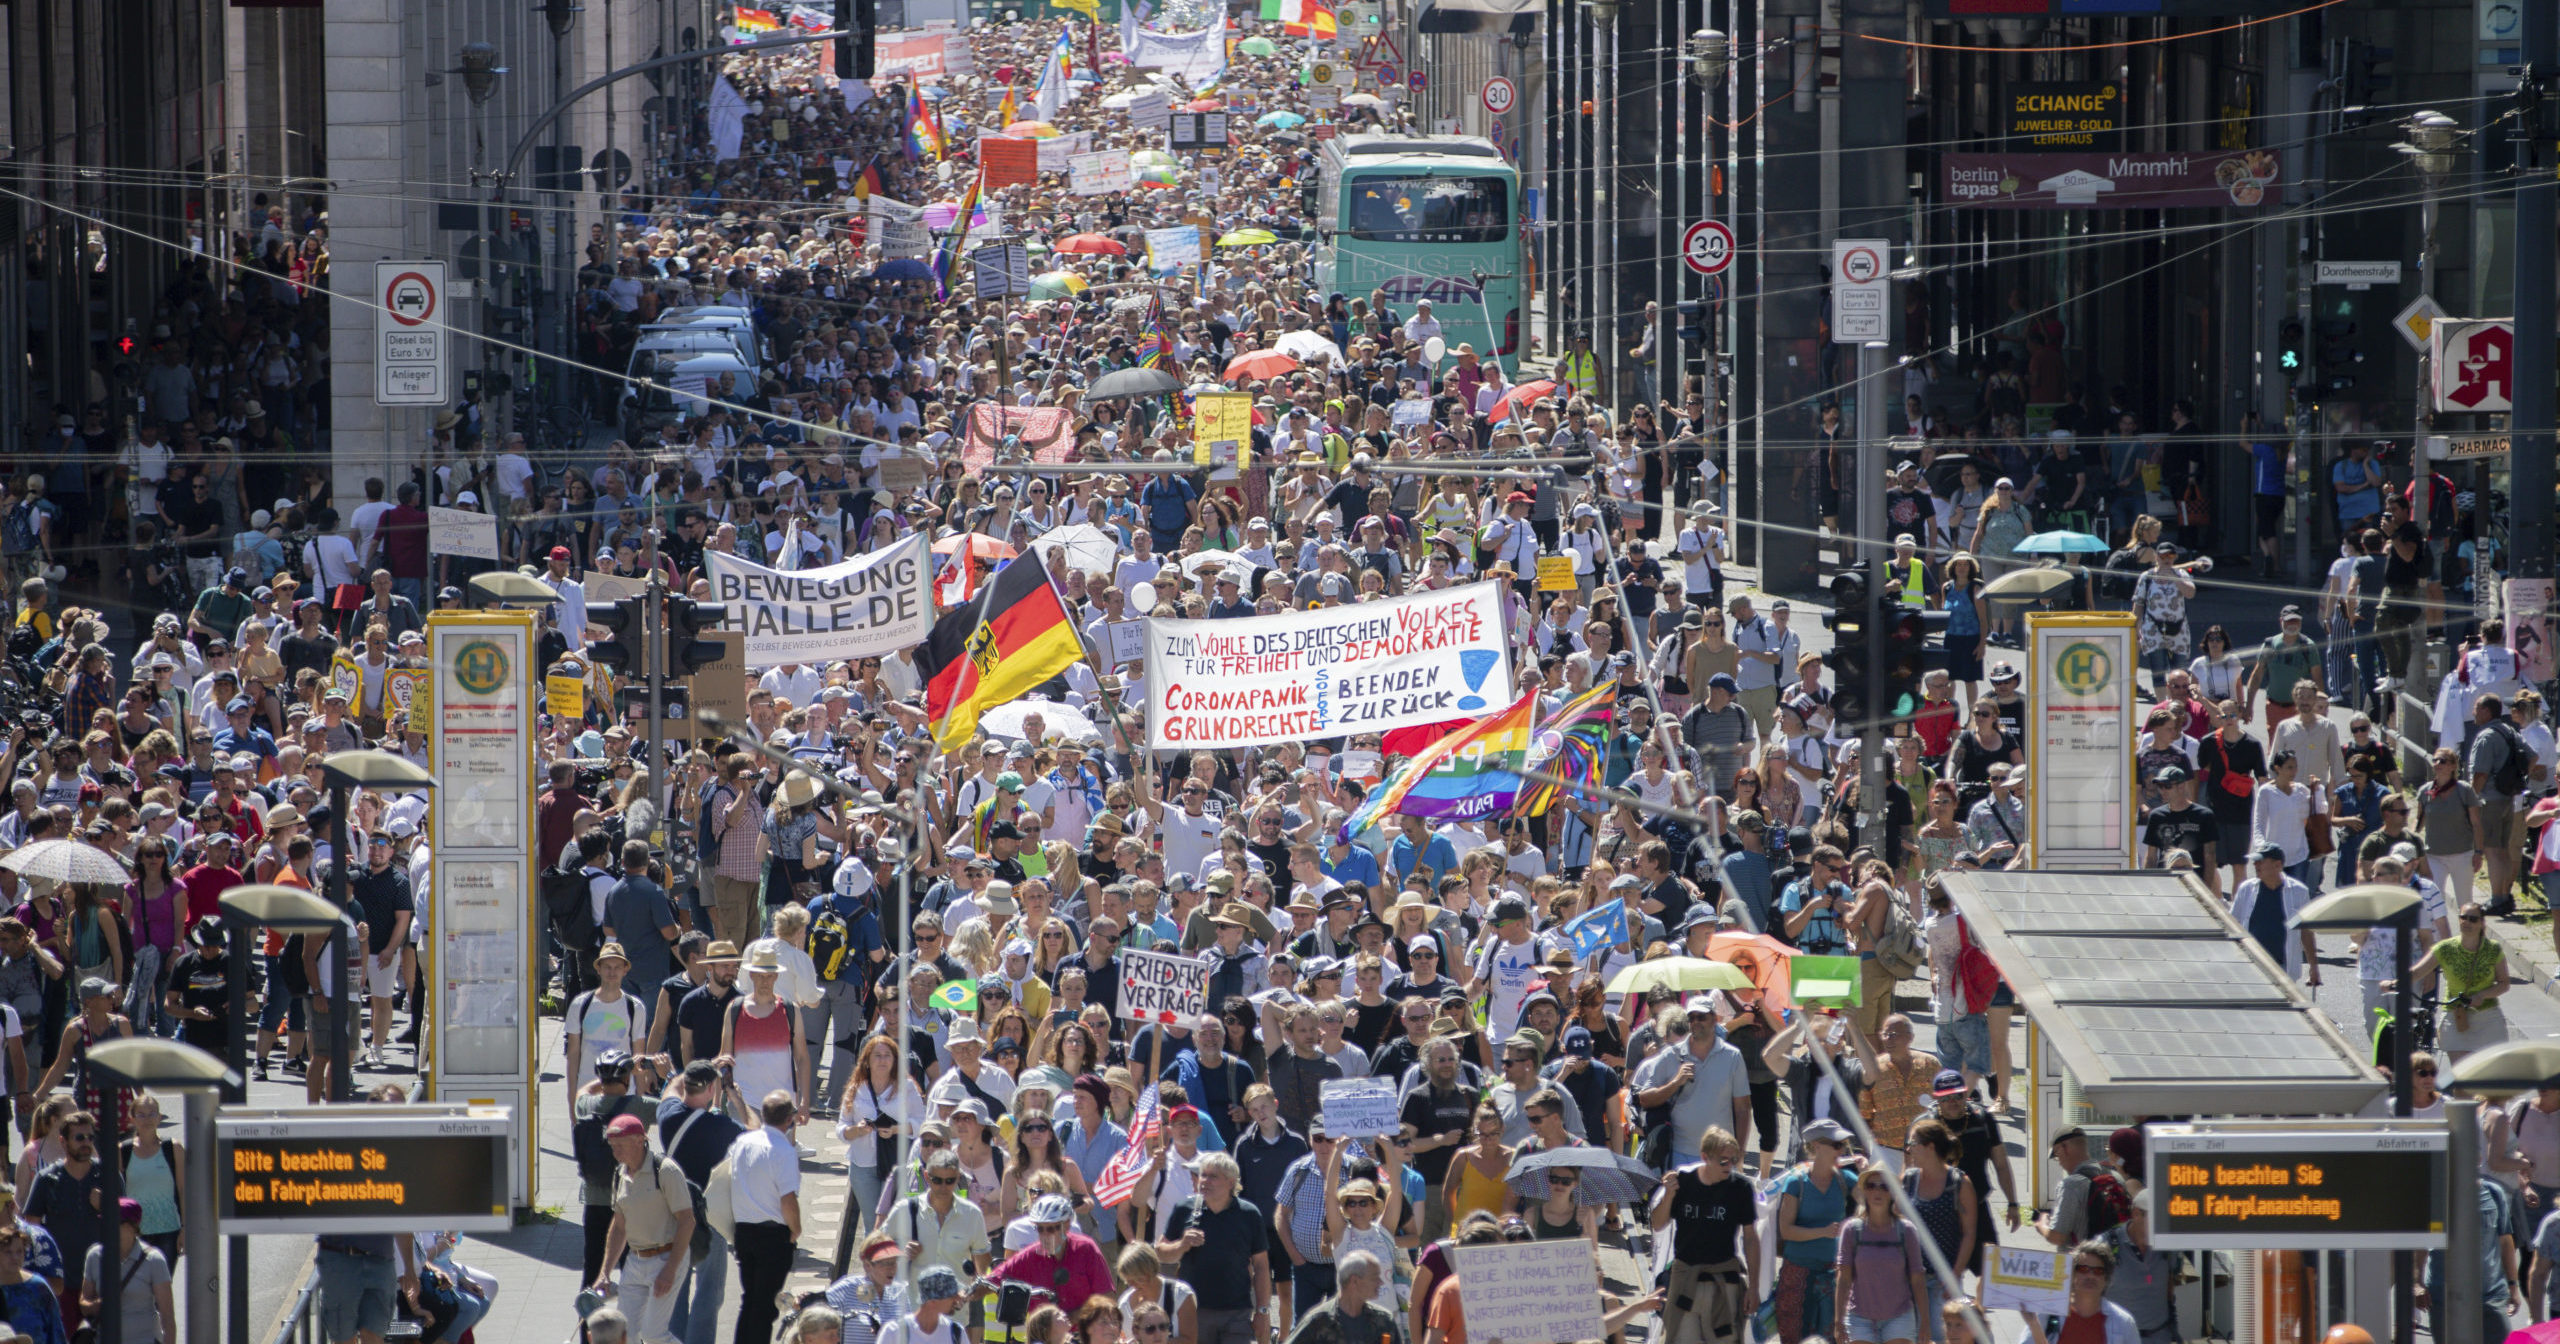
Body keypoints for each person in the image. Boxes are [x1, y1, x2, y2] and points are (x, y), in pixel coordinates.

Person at [592, 1112, 696, 1344]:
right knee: (624, 1335)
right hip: (636, 1261)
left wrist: (670, 1269)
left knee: (653, 1335)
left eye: (620, 1145)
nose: (615, 1151)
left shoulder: (665, 1171)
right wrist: (605, 1272)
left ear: (640, 1140)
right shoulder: (620, 1174)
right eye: (612, 1146)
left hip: (667, 1257)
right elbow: (619, 1228)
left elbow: (687, 1221)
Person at [1650, 1126, 1759, 1344]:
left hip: (1723, 1277)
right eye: (1723, 1161)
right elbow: (1658, 1224)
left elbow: (1750, 1238)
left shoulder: (1741, 1188)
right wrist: (1669, 1195)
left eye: (1734, 1160)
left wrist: (1754, 1288)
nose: (1729, 1166)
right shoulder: (1684, 1182)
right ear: (1705, 1157)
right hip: (1686, 1276)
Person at [1154, 1152, 1271, 1344]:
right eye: (1202, 1175)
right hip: (1193, 1311)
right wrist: (1181, 1244)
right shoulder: (1185, 1209)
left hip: (1237, 1313)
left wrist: (1263, 1311)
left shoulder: (1249, 1214)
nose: (1204, 1181)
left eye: (1213, 1176)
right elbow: (1161, 1253)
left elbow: (1261, 1266)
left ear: (1231, 1182)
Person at [731, 1090, 806, 1344]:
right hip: (772, 1236)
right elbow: (787, 1200)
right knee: (764, 1308)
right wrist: (795, 1230)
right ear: (790, 1119)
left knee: (750, 1300)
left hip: (743, 1232)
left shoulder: (743, 1142)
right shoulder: (784, 1152)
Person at [1773, 1119, 1856, 1344]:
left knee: (1833, 1340)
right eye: (1837, 1145)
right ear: (1817, 1146)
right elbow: (1786, 1230)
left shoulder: (1845, 1180)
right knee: (1794, 1338)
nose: (1842, 1150)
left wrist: (1868, 1172)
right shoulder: (1796, 1183)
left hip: (1833, 1274)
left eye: (1844, 1145)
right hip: (1797, 1275)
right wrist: (1823, 1231)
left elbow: (1877, 1201)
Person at [2398, 901, 2512, 1059]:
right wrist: (2394, 983)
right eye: (2463, 917)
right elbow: (2417, 972)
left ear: (2482, 923)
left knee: (2488, 1078)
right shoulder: (2445, 948)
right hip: (2456, 1017)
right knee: (2461, 1077)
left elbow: (2504, 983)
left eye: (2473, 919)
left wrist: (2481, 996)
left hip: (2488, 1019)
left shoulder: (2493, 949)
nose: (2467, 922)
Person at [2016, 1242, 2143, 1344]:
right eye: (2083, 1269)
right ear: (2071, 1274)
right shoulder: (2047, 1314)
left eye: (2098, 1271)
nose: (2090, 1276)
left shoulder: (2123, 1322)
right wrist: (2034, 1325)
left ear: (2106, 1279)